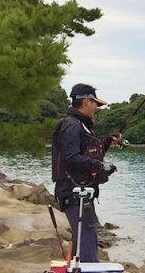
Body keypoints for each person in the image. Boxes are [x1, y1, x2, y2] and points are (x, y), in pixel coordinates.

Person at [51, 83, 121, 263]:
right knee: (87, 237)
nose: (96, 107)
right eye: (95, 103)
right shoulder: (72, 126)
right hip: (73, 193)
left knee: (86, 234)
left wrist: (106, 143)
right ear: (86, 102)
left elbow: (86, 153)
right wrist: (101, 166)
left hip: (81, 193)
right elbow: (71, 157)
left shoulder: (82, 126)